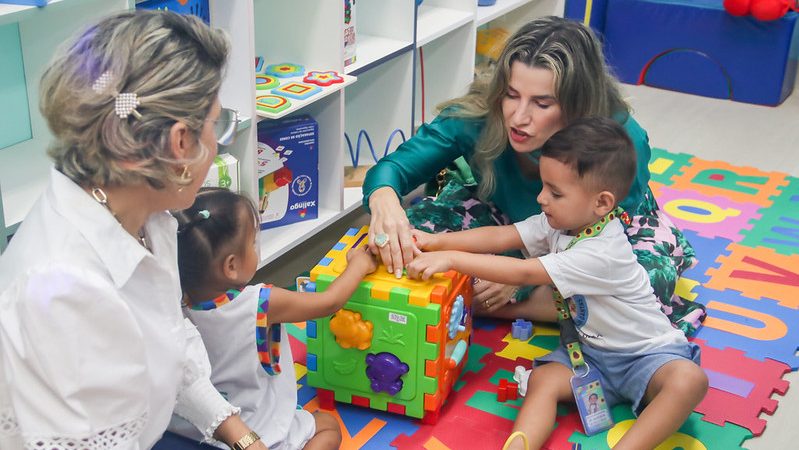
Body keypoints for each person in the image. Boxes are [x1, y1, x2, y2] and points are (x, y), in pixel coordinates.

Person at [0, 10, 268, 450]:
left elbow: (168, 342)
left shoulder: (147, 215)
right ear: (179, 144)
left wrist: (241, 438)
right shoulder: (64, 293)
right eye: (214, 125)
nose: (218, 142)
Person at [362, 16, 704, 335]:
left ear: (576, 104)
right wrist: (384, 202)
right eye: (511, 95)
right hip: (501, 220)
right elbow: (393, 169)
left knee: (640, 291)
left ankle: (493, 306)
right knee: (404, 241)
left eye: (542, 103)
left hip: (597, 235)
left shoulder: (621, 138)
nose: (518, 117)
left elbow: (605, 243)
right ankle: (516, 300)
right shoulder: (476, 116)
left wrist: (520, 279)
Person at [405, 117, 708, 450]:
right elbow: (501, 235)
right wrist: (435, 242)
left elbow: (523, 273)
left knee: (688, 381)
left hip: (647, 355)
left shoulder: (603, 250)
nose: (541, 198)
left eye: (555, 192)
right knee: (542, 381)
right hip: (587, 354)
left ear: (602, 203)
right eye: (543, 185)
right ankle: (519, 445)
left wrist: (451, 260)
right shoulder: (564, 222)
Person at [169, 188, 378, 450]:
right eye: (253, 241)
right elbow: (329, 302)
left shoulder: (171, 305)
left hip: (200, 429)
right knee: (327, 425)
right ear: (231, 266)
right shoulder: (261, 303)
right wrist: (359, 264)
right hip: (259, 431)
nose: (256, 246)